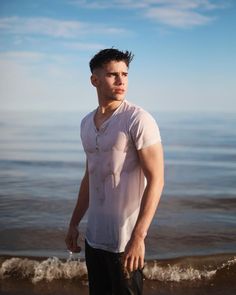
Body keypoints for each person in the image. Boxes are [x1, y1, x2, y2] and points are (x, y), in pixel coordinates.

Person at [65, 48, 164, 295]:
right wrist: (74, 223)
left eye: (125, 74)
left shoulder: (138, 120)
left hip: (125, 242)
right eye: (113, 75)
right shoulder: (86, 123)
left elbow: (157, 180)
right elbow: (90, 175)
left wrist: (139, 237)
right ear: (94, 80)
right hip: (94, 239)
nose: (121, 81)